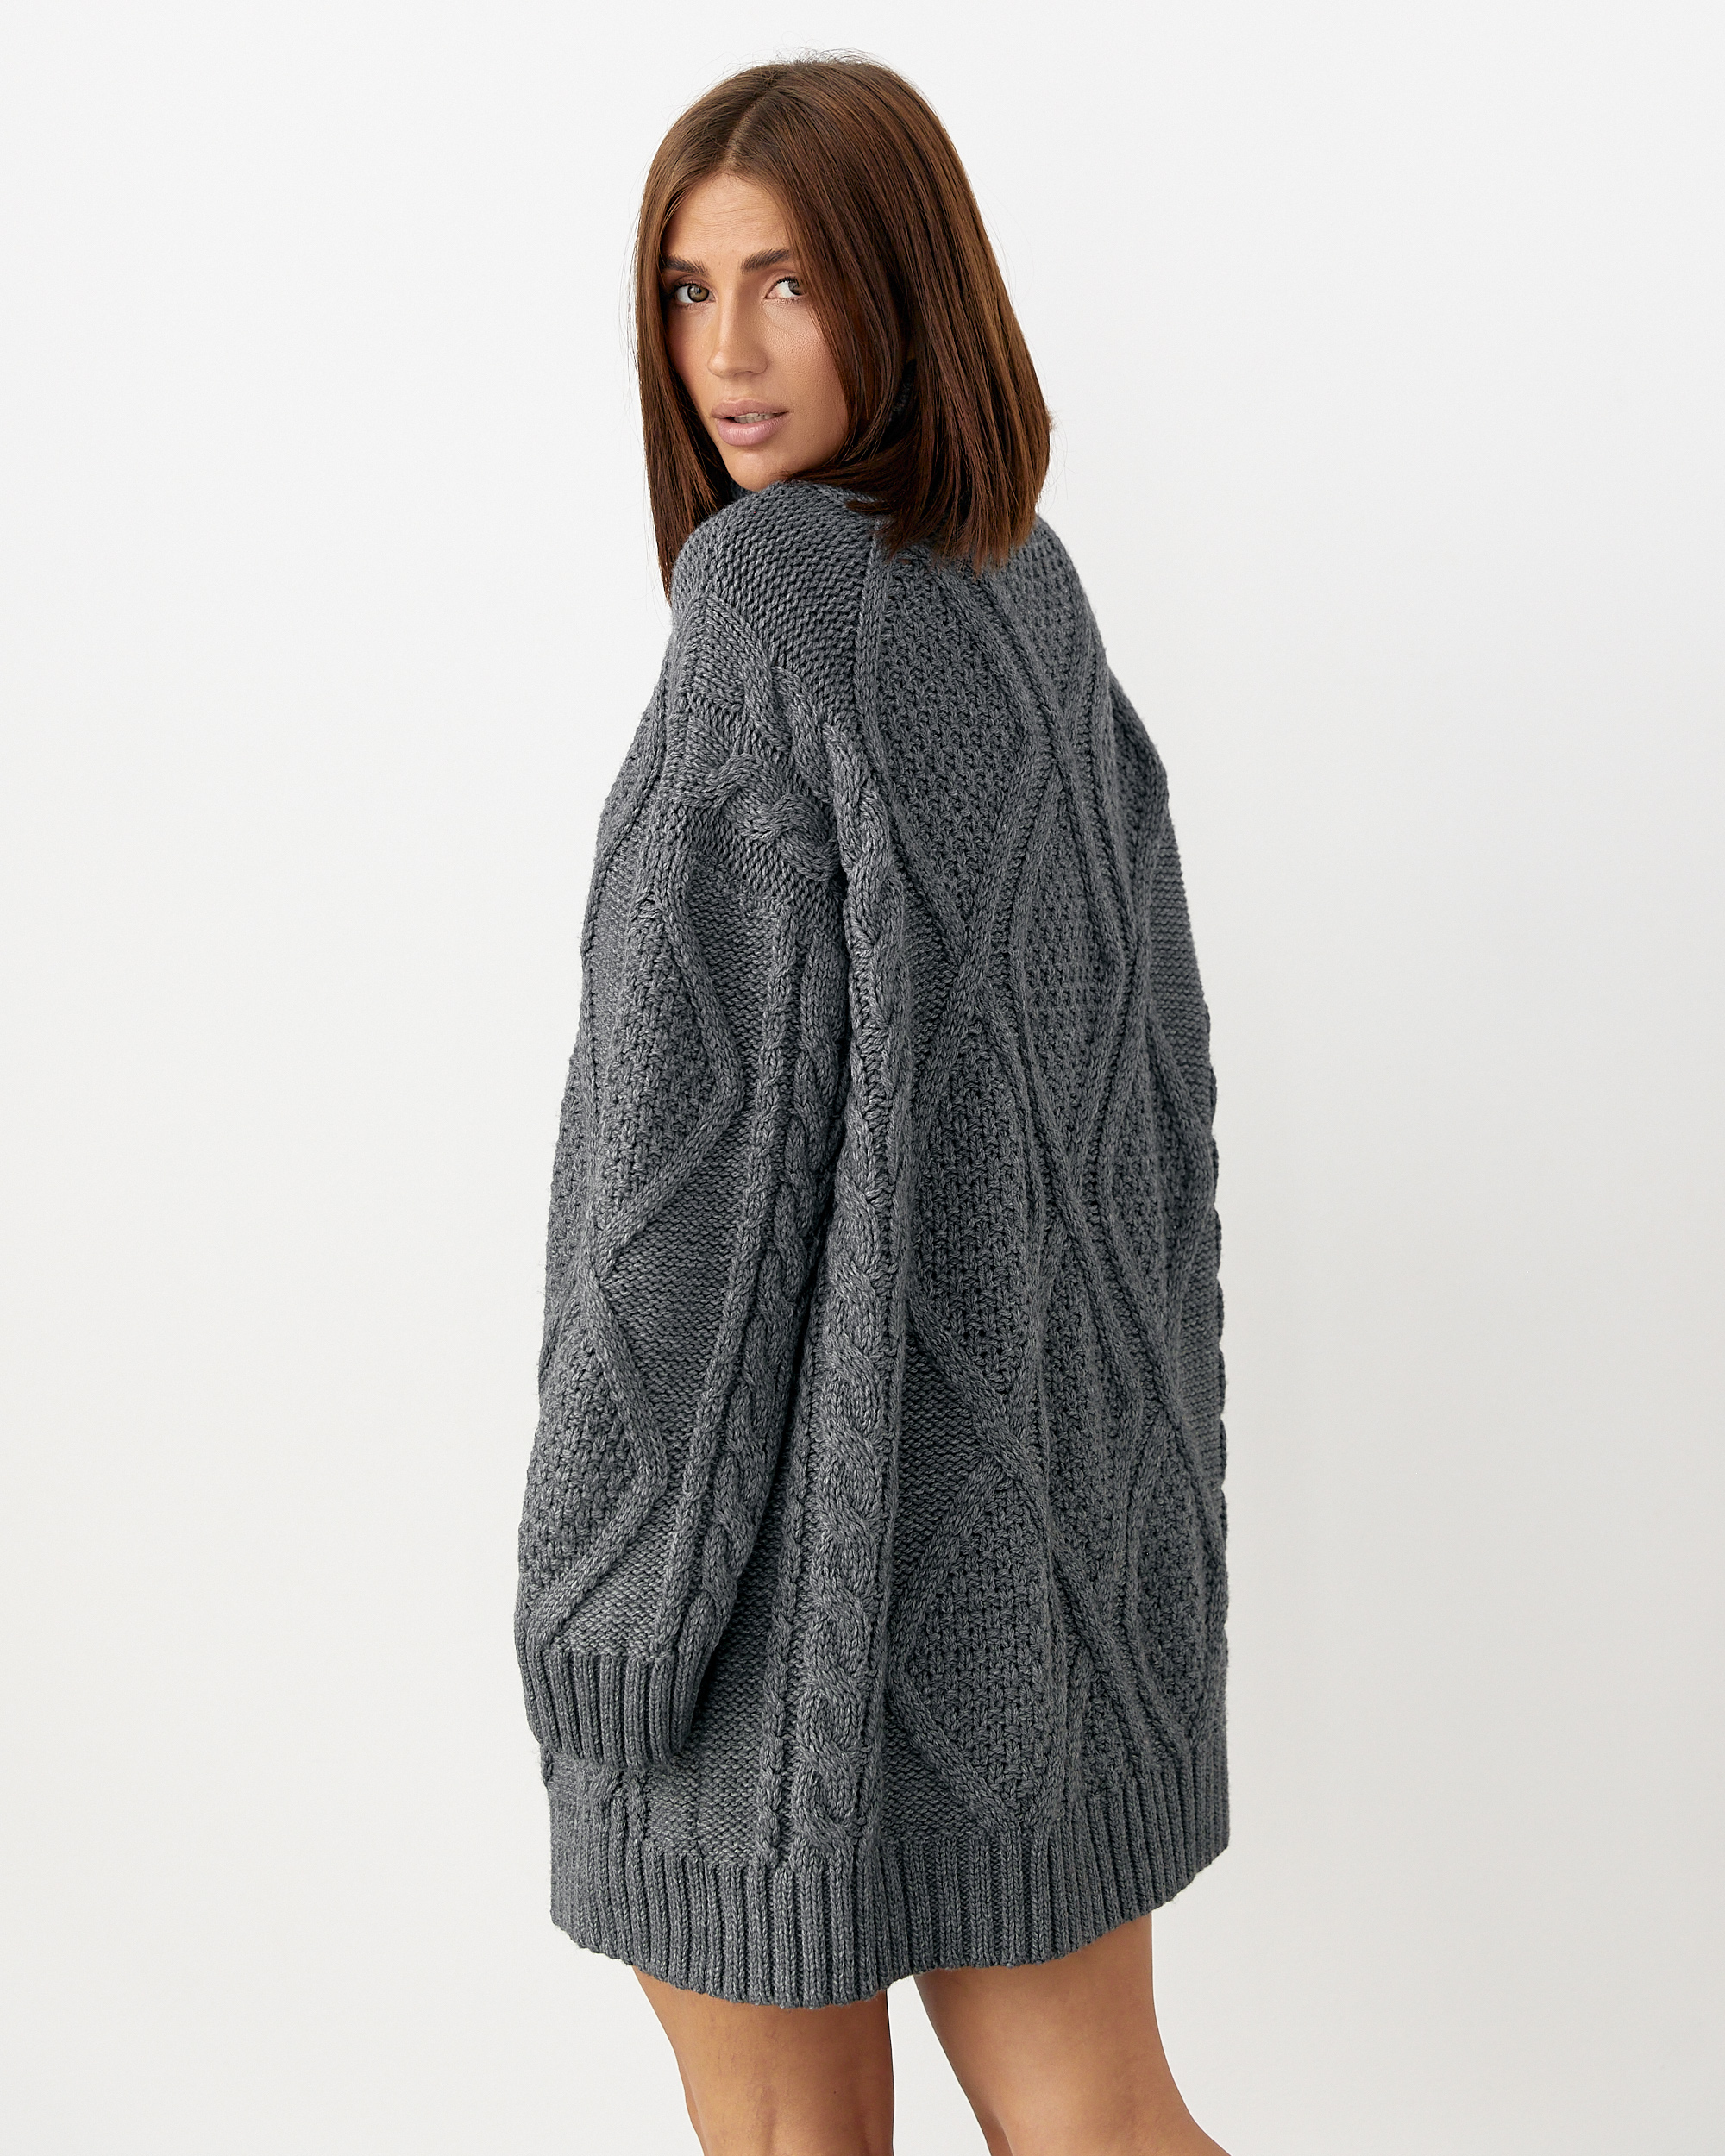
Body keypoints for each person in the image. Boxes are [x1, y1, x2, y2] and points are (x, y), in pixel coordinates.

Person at [513, 53, 1232, 2156]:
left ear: (903, 288)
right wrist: (1135, 1541)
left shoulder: (765, 602)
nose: (726, 354)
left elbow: (680, 1177)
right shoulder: (1026, 588)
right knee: (1108, 2117)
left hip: (773, 1618)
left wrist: (598, 1611)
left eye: (789, 282)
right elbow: (1151, 1112)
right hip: (1038, 1593)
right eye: (686, 290)